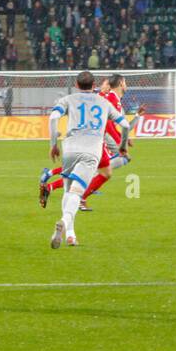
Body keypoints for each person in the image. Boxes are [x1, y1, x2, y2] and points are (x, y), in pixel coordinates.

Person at [46, 70, 129, 249]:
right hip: (91, 151)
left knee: (68, 191)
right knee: (77, 192)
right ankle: (63, 221)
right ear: (94, 86)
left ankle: (70, 234)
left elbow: (53, 117)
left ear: (76, 85)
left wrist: (53, 144)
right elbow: (125, 124)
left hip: (69, 149)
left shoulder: (68, 99)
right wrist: (122, 145)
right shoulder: (104, 102)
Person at [38, 73, 139, 211]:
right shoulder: (109, 99)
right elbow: (110, 125)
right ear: (121, 83)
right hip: (95, 142)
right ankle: (75, 202)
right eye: (103, 83)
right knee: (96, 171)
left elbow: (54, 117)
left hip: (82, 141)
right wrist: (120, 143)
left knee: (95, 171)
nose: (103, 86)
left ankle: (53, 184)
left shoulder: (106, 98)